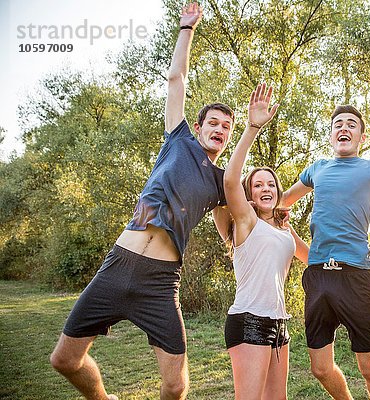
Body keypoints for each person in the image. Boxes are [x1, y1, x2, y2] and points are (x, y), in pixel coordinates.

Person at [50, 3, 234, 399]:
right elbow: (176, 79)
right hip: (118, 266)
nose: (219, 129)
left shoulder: (222, 182)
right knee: (64, 360)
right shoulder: (178, 142)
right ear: (198, 127)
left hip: (160, 281)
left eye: (226, 127)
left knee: (175, 385)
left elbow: (236, 220)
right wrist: (186, 29)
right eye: (213, 123)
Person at [282, 105, 370, 400]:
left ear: (362, 136)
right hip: (318, 277)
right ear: (331, 135)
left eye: (351, 124)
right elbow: (280, 203)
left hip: (356, 276)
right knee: (320, 369)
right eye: (338, 124)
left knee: (369, 368)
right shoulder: (317, 168)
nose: (344, 128)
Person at [216, 83, 308, 400]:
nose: (266, 188)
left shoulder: (284, 227)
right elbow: (230, 180)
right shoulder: (246, 222)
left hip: (280, 325)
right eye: (258, 185)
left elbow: (312, 258)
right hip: (249, 321)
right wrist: (252, 127)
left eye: (271, 183)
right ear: (250, 194)